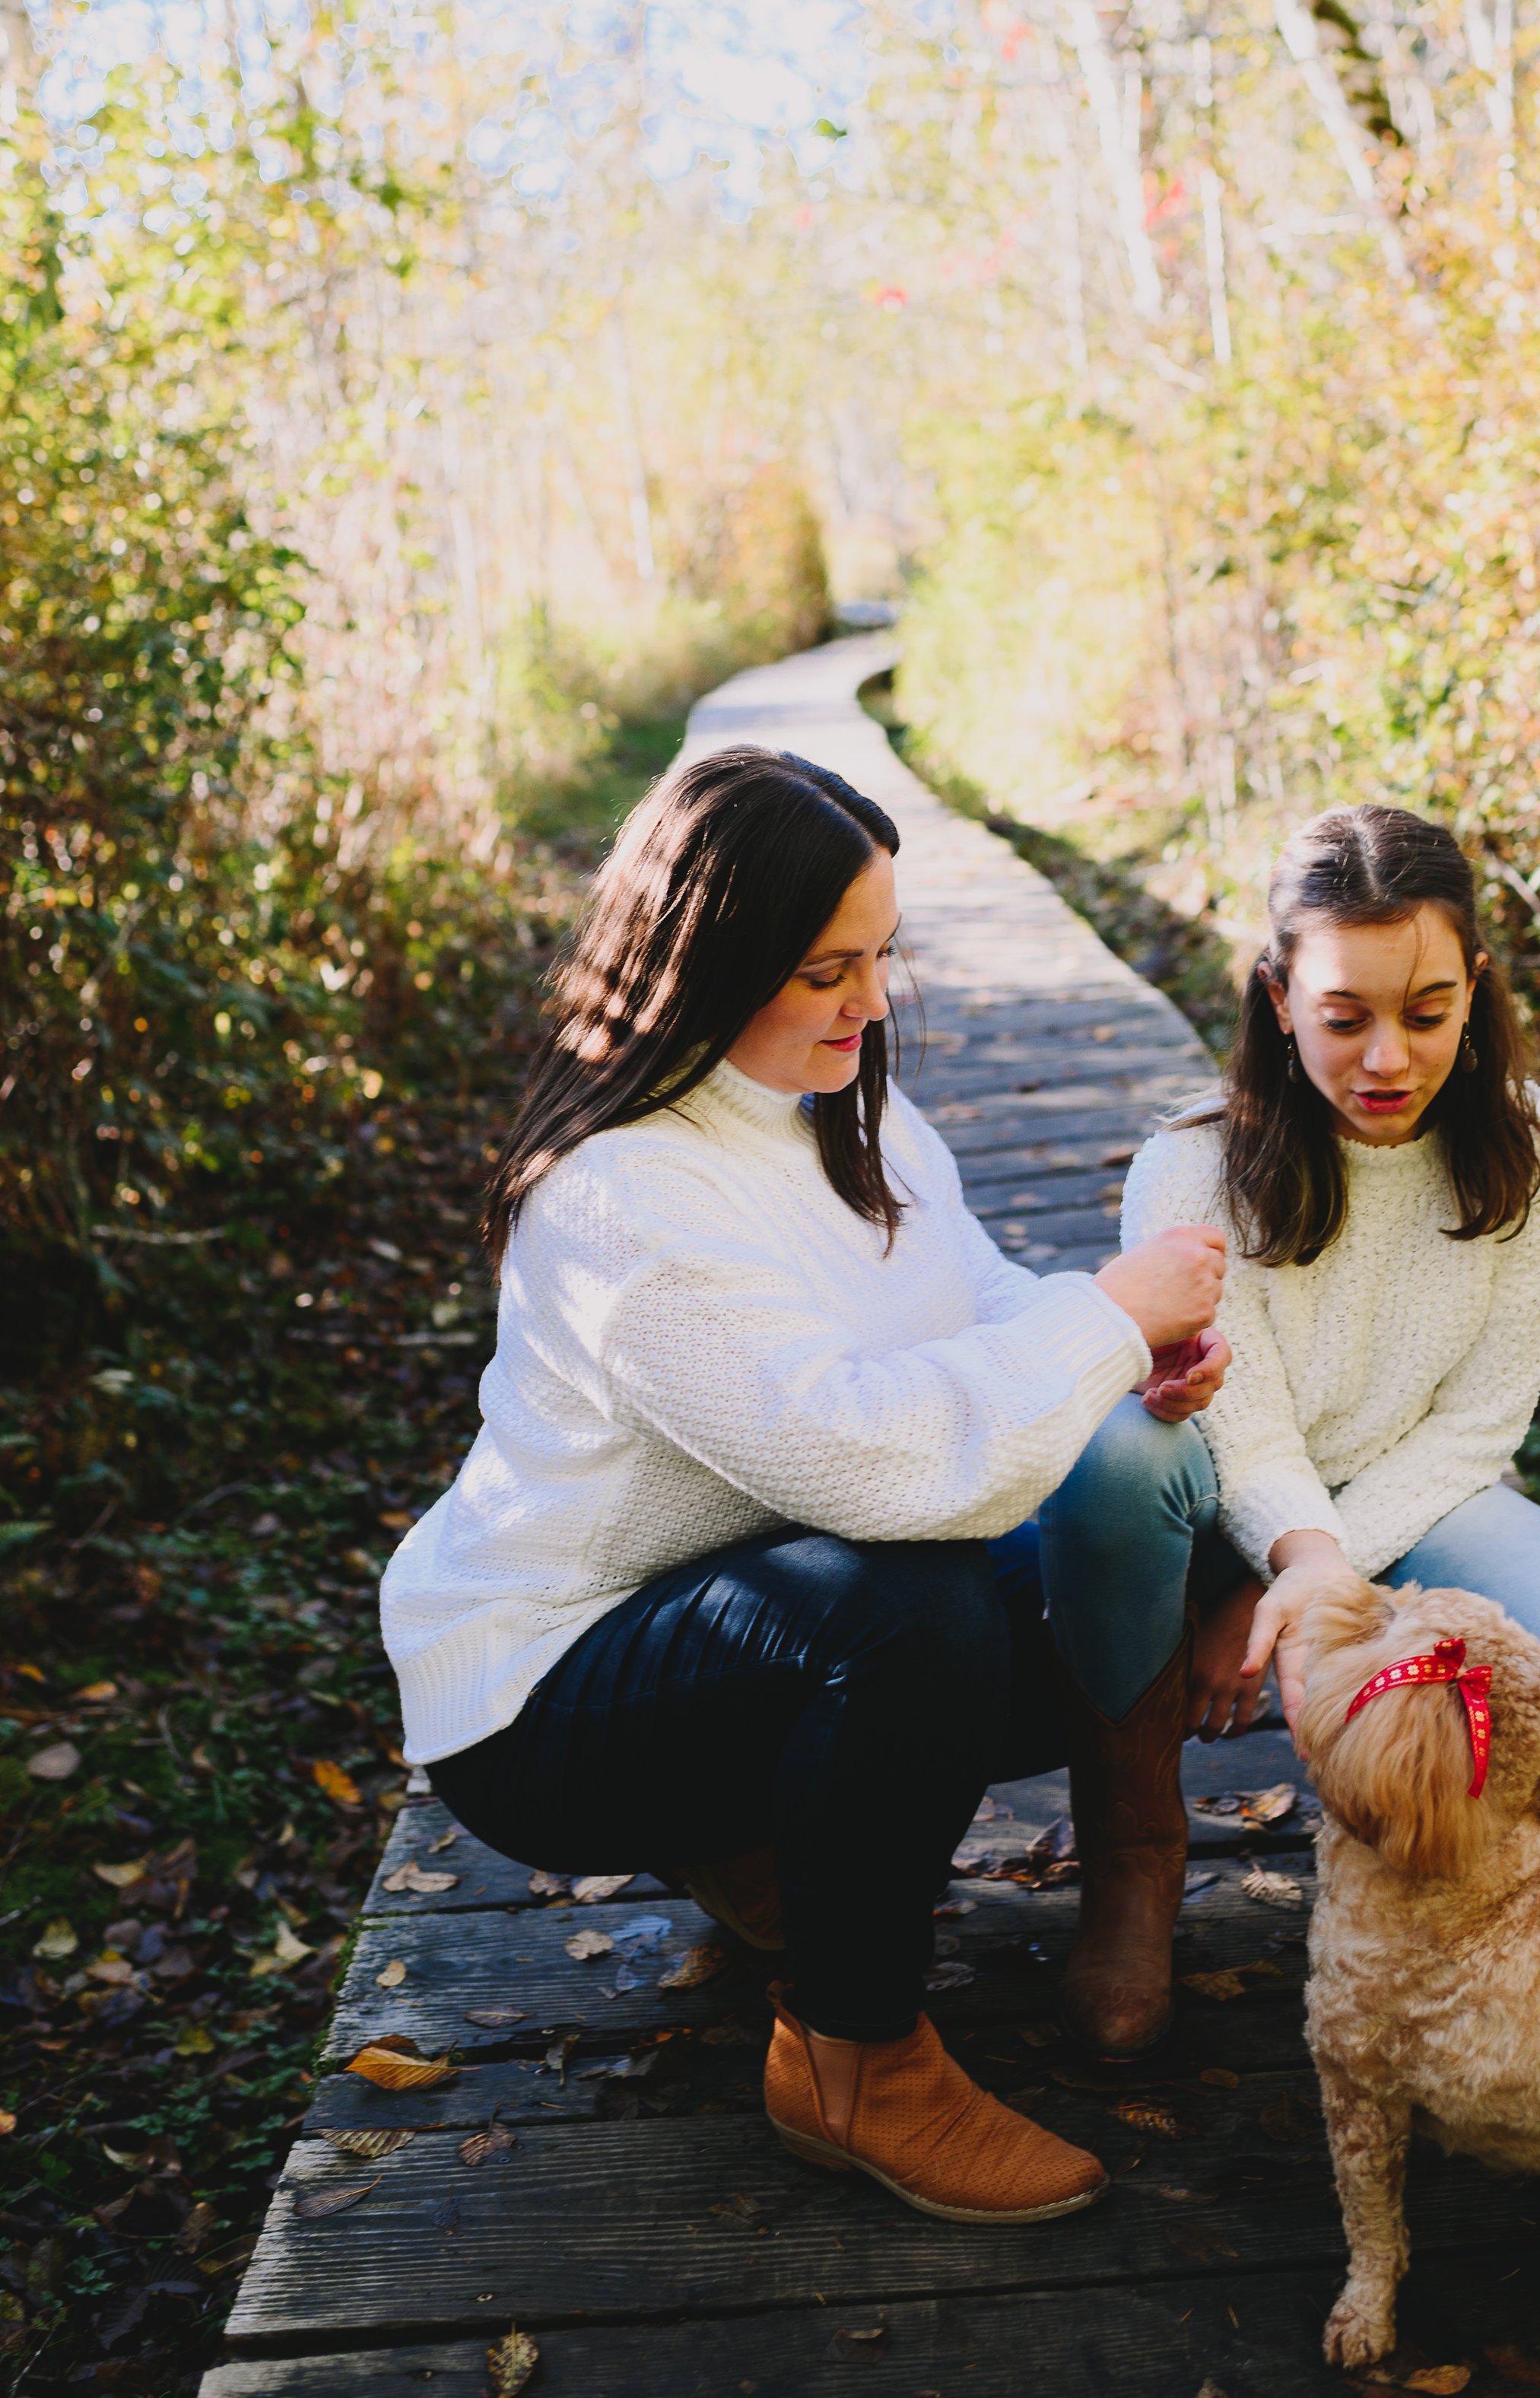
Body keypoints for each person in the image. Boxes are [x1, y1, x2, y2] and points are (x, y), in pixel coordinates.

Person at [379, 745, 1230, 2224]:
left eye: (882, 954)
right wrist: (1104, 1315)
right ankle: (852, 2061)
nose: (876, 999)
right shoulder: (618, 1198)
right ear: (708, 965)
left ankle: (777, 1835)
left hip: (745, 1599)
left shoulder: (851, 1113)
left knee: (1144, 1512)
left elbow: (980, 1303)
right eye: (830, 967)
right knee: (910, 1614)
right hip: (547, 1687)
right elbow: (859, 1455)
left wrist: (1128, 1369)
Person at [1039, 802, 1540, 2060]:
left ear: (1475, 989)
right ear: (1278, 997)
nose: (1389, 1056)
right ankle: (1136, 1858)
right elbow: (1246, 1430)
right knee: (1116, 1451)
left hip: (1412, 1496)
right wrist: (1294, 1566)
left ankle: (1462, 1893)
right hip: (1217, 1490)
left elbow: (1476, 1429)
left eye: (1428, 1012)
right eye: (1345, 1016)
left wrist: (1311, 1583)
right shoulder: (1189, 1169)